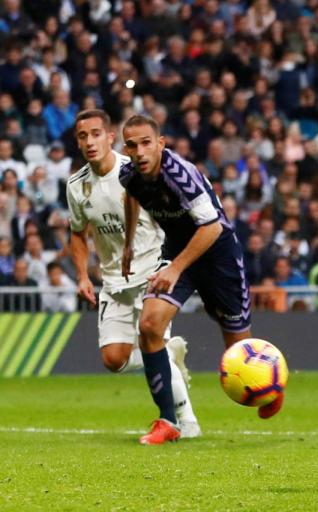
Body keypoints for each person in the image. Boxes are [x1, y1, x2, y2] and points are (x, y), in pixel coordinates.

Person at [119, 114, 283, 446]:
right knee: (150, 326)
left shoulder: (180, 174)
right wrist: (128, 243)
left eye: (146, 143)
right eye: (132, 145)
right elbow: (131, 195)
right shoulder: (129, 174)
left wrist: (175, 269)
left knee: (238, 351)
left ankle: (271, 387)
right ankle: (168, 421)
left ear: (161, 143)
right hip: (179, 251)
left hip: (218, 253)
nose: (139, 151)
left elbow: (212, 227)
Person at [66, 110, 199, 438]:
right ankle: (167, 357)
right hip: (113, 281)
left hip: (153, 272)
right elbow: (78, 233)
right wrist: (82, 275)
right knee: (113, 360)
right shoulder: (77, 185)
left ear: (111, 137)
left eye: (96, 133)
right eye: (83, 136)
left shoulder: (137, 173)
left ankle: (185, 421)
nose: (90, 141)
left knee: (151, 336)